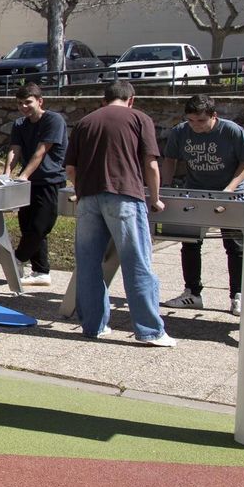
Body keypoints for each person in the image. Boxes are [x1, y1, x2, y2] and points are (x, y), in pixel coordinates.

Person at [64, 80, 175, 346]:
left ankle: (94, 326)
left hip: (88, 198)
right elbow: (151, 164)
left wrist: (81, 190)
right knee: (136, 262)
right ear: (131, 99)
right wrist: (155, 199)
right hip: (125, 195)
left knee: (88, 264)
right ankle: (150, 331)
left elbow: (70, 169)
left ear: (104, 99)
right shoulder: (139, 119)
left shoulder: (85, 122)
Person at [160, 93, 244, 315]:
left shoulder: (232, 131)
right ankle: (192, 292)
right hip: (196, 192)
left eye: (200, 120)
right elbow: (170, 159)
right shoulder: (180, 132)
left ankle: (238, 295)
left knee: (234, 245)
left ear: (213, 116)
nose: (195, 125)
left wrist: (230, 188)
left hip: (230, 193)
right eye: (191, 120)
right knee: (190, 242)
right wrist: (166, 187)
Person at [4, 82, 67, 288]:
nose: (23, 107)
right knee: (27, 226)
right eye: (19, 103)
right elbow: (14, 150)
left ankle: (17, 258)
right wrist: (6, 175)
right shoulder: (19, 124)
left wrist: (23, 176)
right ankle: (41, 271)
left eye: (28, 102)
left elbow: (41, 151)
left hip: (49, 180)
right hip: (28, 183)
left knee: (40, 227)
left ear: (40, 101)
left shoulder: (53, 120)